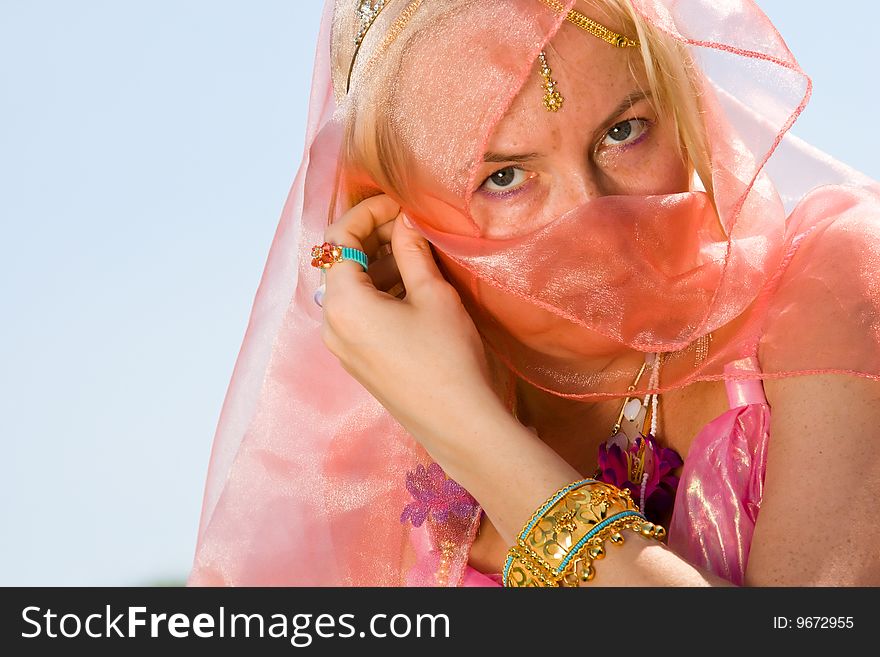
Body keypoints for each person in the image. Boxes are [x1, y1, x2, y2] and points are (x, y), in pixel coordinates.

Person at [189, 0, 880, 587]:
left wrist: (477, 440)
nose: (595, 217)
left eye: (623, 132)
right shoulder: (367, 472)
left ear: (683, 110)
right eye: (506, 177)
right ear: (399, 218)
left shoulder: (835, 282)